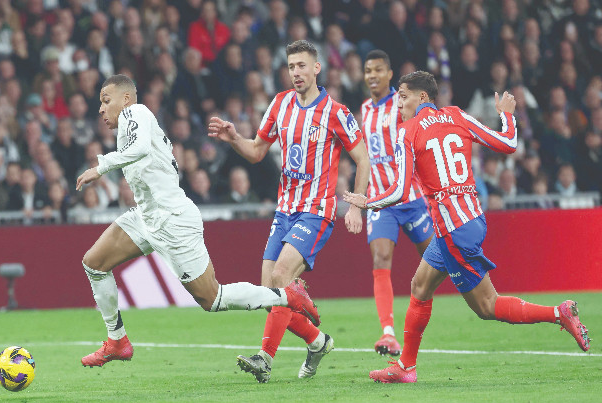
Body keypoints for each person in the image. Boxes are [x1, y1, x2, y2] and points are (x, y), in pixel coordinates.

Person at [343, 71, 590, 384]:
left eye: (403, 96)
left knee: (488, 307)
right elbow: (508, 143)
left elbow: (400, 191)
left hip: (454, 231)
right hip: (470, 220)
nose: (398, 104)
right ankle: (405, 367)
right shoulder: (457, 116)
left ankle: (560, 313)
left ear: (422, 97)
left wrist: (369, 202)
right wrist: (508, 117)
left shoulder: (408, 132)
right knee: (420, 286)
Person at [76, 74, 319, 368]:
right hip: (147, 215)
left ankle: (286, 295)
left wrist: (100, 166)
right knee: (94, 263)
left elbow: (139, 151)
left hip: (172, 220)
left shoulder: (134, 112)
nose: (101, 109)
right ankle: (117, 341)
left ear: (126, 99)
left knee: (213, 299)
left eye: (106, 101)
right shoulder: (128, 125)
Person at [208, 40, 371, 382]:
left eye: (301, 65)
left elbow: (362, 158)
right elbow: (255, 151)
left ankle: (265, 359)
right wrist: (234, 137)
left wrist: (355, 204)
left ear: (316, 68)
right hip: (285, 211)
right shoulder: (280, 104)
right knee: (270, 296)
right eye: (291, 66)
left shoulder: (337, 113)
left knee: (281, 278)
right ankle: (317, 340)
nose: (296, 72)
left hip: (316, 210)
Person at [360, 50, 433, 356]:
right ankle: (388, 333)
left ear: (389, 74)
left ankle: (476, 294)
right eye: (367, 70)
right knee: (380, 258)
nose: (372, 75)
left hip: (413, 197)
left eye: (378, 70)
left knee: (437, 259)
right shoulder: (363, 109)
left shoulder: (403, 103)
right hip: (381, 199)